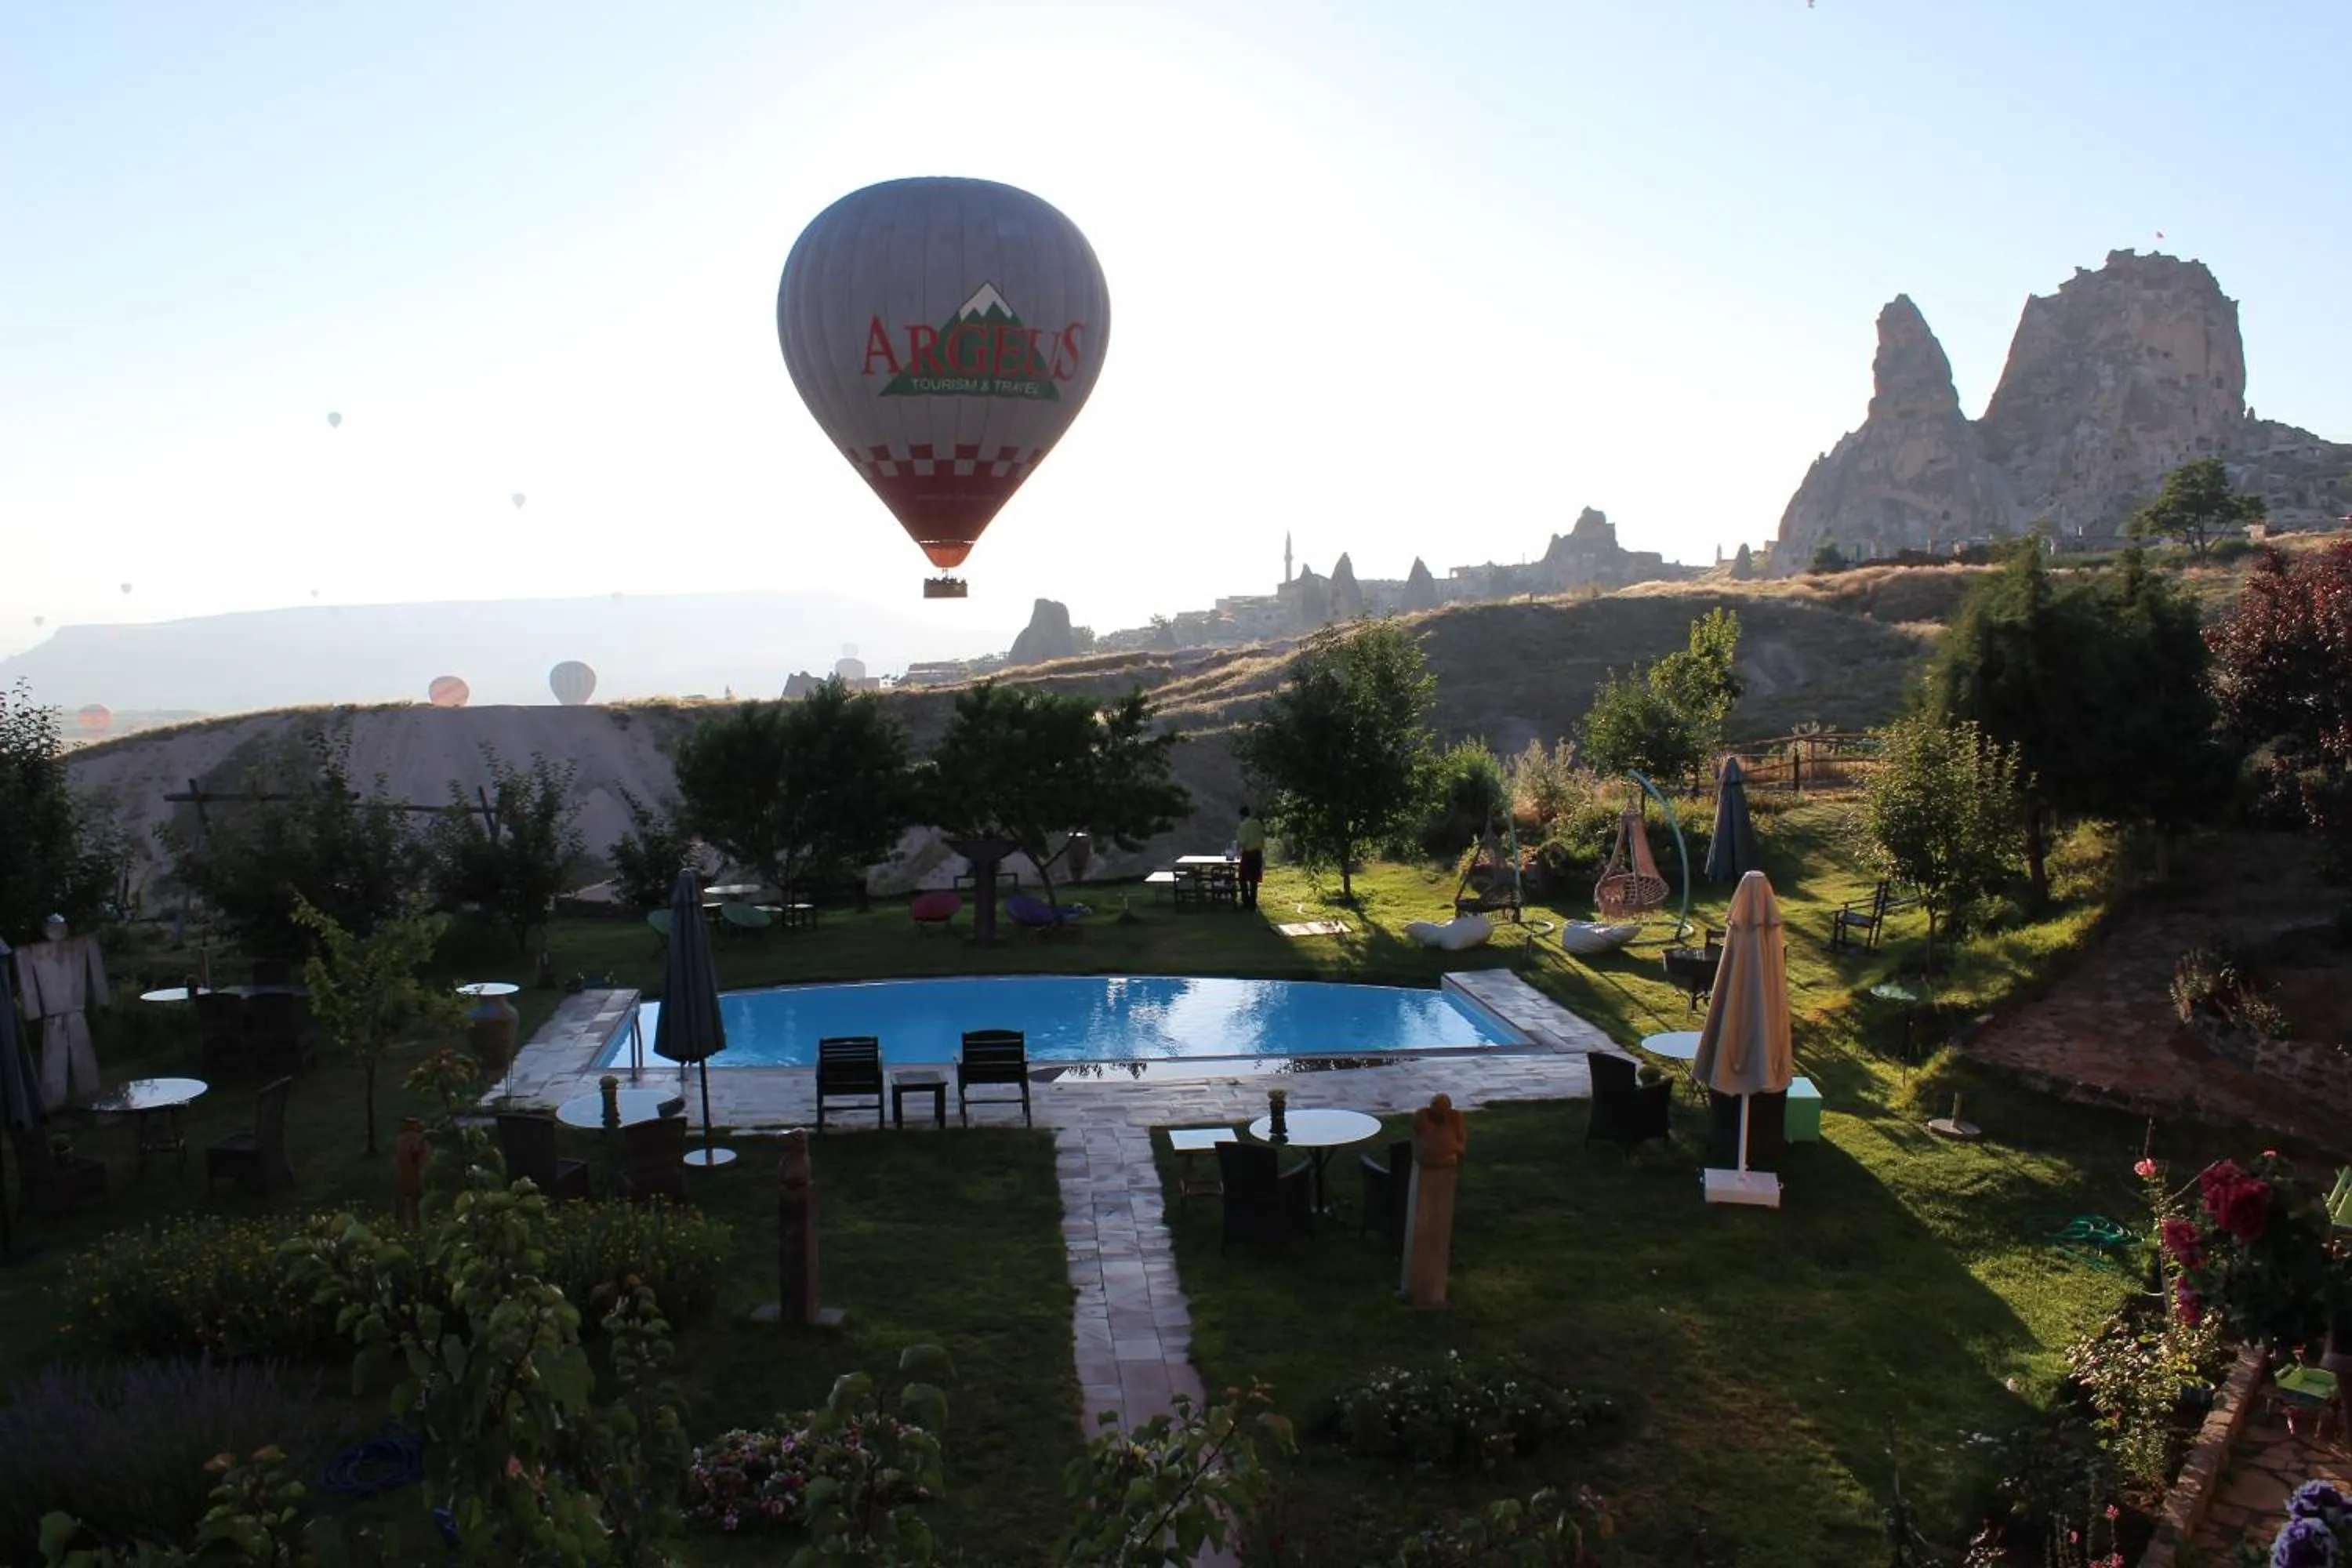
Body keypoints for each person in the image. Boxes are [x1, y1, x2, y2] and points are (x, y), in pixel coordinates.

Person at [1235, 805, 1266, 910]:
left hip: (1248, 854)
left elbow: (1242, 842)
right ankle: (1253, 902)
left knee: (1242, 879)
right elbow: (1262, 839)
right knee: (1254, 880)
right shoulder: (1257, 824)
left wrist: (1239, 851)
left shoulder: (1243, 825)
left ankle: (1246, 901)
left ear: (1241, 815)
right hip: (1257, 854)